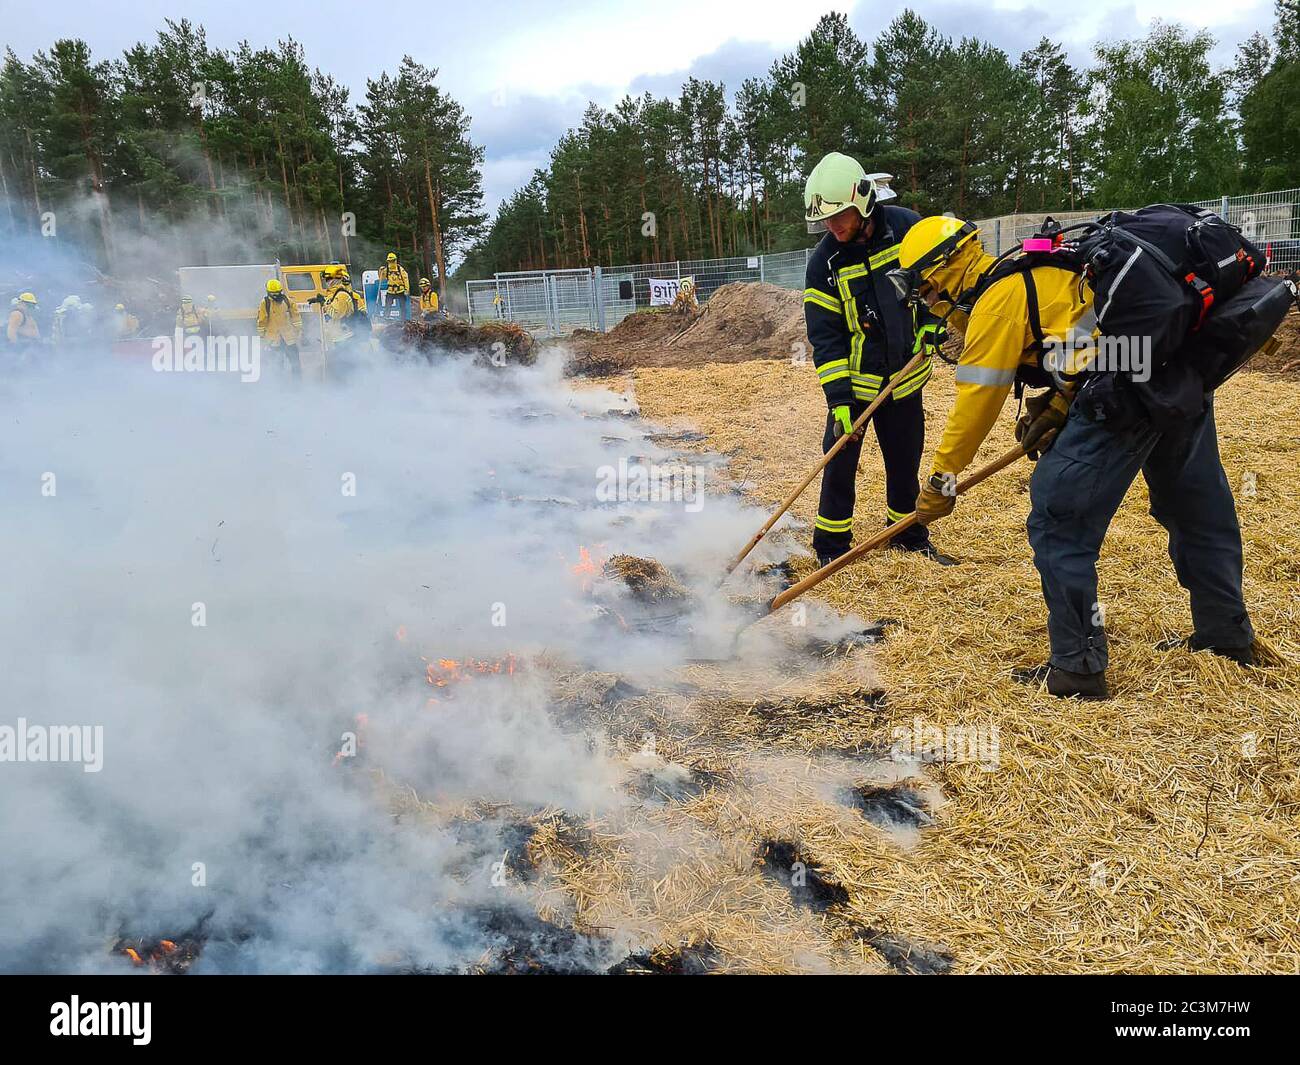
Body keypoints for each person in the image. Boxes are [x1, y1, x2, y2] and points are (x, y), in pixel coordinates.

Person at [900, 215, 1256, 700]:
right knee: (1197, 506)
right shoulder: (1041, 268)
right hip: (1175, 369)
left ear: (942, 273)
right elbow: (1090, 332)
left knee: (1057, 518)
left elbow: (975, 404)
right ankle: (1226, 636)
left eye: (924, 291)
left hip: (1125, 394)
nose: (929, 303)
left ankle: (1078, 667)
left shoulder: (996, 303)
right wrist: (1060, 400)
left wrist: (941, 480)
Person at [802, 151, 954, 567]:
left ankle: (906, 536)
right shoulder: (823, 265)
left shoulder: (907, 228)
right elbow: (826, 338)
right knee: (837, 467)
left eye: (840, 217)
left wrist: (930, 320)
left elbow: (937, 280)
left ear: (864, 202)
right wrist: (839, 402)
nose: (833, 228)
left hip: (906, 379)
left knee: (904, 463)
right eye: (826, 221)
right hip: (854, 388)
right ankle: (831, 549)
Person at [256, 278, 303, 376]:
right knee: (277, 364)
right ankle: (281, 386)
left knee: (295, 363)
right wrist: (262, 336)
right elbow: (262, 320)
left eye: (277, 293)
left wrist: (298, 331)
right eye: (273, 293)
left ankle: (297, 385)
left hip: (288, 338)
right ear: (268, 292)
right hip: (274, 339)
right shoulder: (265, 303)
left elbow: (295, 316)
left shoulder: (287, 301)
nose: (276, 295)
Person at [380, 252, 410, 320]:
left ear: (395, 260)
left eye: (392, 261)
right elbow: (381, 278)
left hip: (400, 290)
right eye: (389, 261)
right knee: (387, 306)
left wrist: (406, 289)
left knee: (403, 307)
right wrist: (380, 271)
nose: (391, 262)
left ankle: (403, 320)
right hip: (390, 291)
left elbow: (406, 279)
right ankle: (386, 318)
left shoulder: (400, 269)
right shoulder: (386, 269)